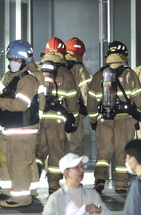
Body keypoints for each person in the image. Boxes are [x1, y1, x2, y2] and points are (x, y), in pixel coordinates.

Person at [0, 40, 42, 207]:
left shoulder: (28, 81)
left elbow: (20, 105)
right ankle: (11, 193)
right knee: (11, 164)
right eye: (11, 59)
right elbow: (0, 97)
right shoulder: (11, 78)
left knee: (19, 164)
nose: (13, 62)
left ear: (24, 61)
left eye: (16, 60)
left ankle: (22, 198)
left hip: (23, 131)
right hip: (13, 130)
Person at [87, 40, 141, 194]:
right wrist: (137, 117)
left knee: (103, 152)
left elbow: (91, 103)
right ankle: (121, 185)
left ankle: (99, 180)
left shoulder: (98, 75)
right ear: (124, 56)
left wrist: (93, 121)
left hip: (104, 118)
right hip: (124, 119)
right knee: (122, 152)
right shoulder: (130, 74)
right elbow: (138, 99)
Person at [35, 37, 79, 196]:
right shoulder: (66, 73)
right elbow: (73, 101)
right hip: (57, 120)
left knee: (37, 153)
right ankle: (53, 187)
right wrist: (73, 119)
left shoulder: (37, 71)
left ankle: (32, 186)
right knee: (55, 152)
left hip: (38, 119)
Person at [42, 153, 111, 215]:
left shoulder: (91, 194)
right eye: (76, 167)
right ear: (66, 173)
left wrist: (98, 210)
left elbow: (106, 213)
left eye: (82, 166)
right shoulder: (56, 199)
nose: (81, 170)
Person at [65, 37, 92, 156]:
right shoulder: (80, 69)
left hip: (54, 116)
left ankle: (50, 174)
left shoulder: (57, 66)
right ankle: (73, 174)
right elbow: (86, 93)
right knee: (74, 148)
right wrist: (92, 115)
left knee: (54, 150)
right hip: (74, 115)